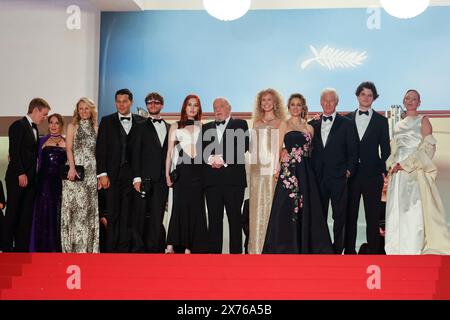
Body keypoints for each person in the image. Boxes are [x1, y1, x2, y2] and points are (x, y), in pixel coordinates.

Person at [263, 93, 333, 254]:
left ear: (303, 108)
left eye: (298, 104)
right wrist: (276, 169)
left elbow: (311, 151)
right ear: (289, 107)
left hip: (306, 172)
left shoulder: (310, 128)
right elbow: (277, 148)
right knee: (285, 206)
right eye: (292, 104)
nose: (295, 107)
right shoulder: (284, 125)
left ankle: (306, 246)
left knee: (307, 207)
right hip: (289, 172)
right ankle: (285, 246)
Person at [385, 89, 450, 255]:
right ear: (403, 100)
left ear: (419, 102)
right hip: (397, 173)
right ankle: (395, 250)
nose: (410, 101)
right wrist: (392, 165)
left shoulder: (424, 120)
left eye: (414, 99)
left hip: (414, 170)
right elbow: (394, 149)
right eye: (407, 98)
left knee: (413, 208)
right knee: (396, 209)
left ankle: (412, 249)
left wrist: (406, 164)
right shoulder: (398, 125)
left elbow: (428, 148)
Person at [310, 88, 358, 254]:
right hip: (317, 178)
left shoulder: (347, 123)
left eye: (331, 100)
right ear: (320, 102)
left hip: (338, 177)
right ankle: (321, 249)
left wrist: (348, 171)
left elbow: (353, 151)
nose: (328, 103)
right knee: (319, 215)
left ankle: (338, 250)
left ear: (336, 103)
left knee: (340, 216)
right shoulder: (311, 125)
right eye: (325, 100)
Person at [96, 88, 144, 252]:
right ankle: (110, 250)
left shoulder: (141, 121)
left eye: (124, 101)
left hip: (132, 176)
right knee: (113, 213)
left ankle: (123, 251)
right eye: (118, 101)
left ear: (131, 102)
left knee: (128, 214)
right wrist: (102, 174)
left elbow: (142, 151)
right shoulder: (106, 121)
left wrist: (139, 176)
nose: (121, 104)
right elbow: (101, 149)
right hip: (111, 175)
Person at [345, 81, 390, 254]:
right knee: (351, 216)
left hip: (372, 176)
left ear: (374, 98)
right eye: (363, 94)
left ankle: (373, 252)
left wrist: (382, 172)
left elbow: (386, 150)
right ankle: (349, 252)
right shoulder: (346, 118)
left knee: (373, 217)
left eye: (370, 95)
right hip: (351, 175)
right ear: (357, 96)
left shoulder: (381, 121)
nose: (366, 98)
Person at [2, 98, 50, 252]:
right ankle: (6, 247)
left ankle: (21, 249)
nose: (45, 118)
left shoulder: (35, 129)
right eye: (44, 114)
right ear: (35, 110)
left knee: (25, 215)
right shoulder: (18, 125)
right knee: (13, 212)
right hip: (18, 177)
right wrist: (21, 173)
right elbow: (14, 152)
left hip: (31, 180)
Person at [203, 97, 249, 254]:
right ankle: (214, 256)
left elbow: (242, 145)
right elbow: (201, 149)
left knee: (234, 219)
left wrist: (222, 159)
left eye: (221, 106)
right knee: (214, 220)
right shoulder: (206, 127)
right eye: (215, 107)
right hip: (212, 182)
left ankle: (235, 256)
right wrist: (210, 159)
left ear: (229, 108)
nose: (218, 109)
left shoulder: (240, 124)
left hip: (234, 181)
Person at [165, 94, 208, 254]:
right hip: (181, 171)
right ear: (184, 107)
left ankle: (189, 246)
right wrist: (167, 174)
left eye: (195, 105)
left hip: (198, 172)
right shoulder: (175, 125)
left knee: (195, 208)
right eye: (189, 104)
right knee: (178, 207)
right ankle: (171, 245)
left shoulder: (203, 127)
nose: (192, 108)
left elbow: (205, 153)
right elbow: (170, 152)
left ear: (198, 109)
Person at [248, 88, 286, 254]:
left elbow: (279, 148)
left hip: (272, 170)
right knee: (256, 208)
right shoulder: (255, 123)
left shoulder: (280, 123)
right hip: (256, 170)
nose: (266, 103)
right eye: (263, 100)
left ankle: (272, 248)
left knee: (272, 207)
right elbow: (253, 149)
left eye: (269, 100)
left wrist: (278, 167)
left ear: (275, 102)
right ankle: (256, 248)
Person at [131, 92, 169, 253]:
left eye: (156, 102)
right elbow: (135, 153)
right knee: (139, 216)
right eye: (149, 102)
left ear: (162, 105)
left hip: (162, 180)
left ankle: (154, 251)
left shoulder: (169, 127)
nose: (152, 105)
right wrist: (136, 178)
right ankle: (138, 250)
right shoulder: (139, 125)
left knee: (157, 217)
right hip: (144, 179)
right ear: (146, 105)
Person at [61, 97, 99, 253]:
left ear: (91, 110)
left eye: (86, 108)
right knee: (75, 209)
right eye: (81, 108)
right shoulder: (72, 126)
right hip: (75, 172)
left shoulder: (96, 127)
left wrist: (98, 176)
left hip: (91, 173)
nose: (83, 111)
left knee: (89, 210)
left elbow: (99, 152)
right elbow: (68, 148)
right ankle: (73, 249)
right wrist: (71, 168)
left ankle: (89, 249)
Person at [29, 114, 67, 252]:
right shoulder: (41, 141)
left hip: (61, 184)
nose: (53, 125)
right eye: (51, 122)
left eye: (56, 123)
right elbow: (31, 158)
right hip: (44, 183)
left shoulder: (68, 142)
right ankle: (43, 249)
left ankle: (58, 249)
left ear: (61, 125)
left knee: (59, 214)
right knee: (45, 214)